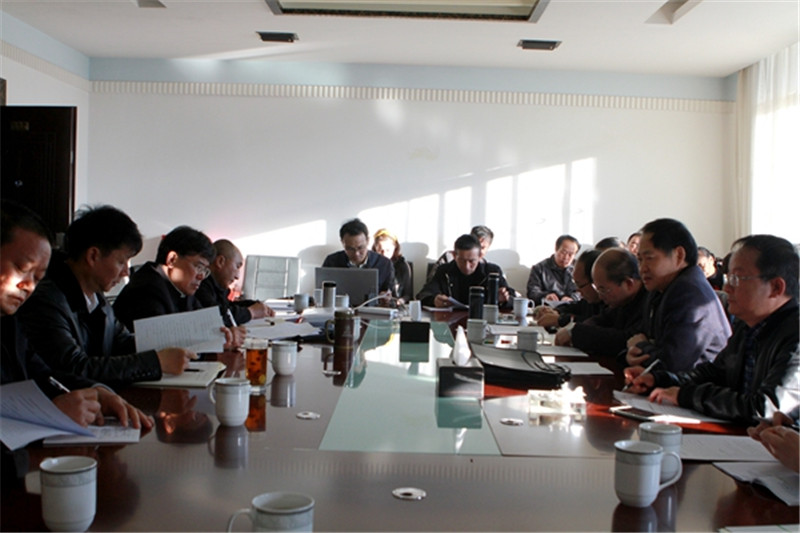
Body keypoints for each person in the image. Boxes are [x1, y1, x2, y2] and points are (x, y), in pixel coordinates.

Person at [1, 201, 151, 484]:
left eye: (37, 277)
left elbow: (44, 374)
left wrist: (97, 392)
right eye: (21, 268)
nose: (28, 286)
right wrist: (49, 416)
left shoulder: (9, 322)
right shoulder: (47, 300)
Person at [624, 234, 798, 423]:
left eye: (736, 279)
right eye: (728, 278)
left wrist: (686, 395)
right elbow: (715, 373)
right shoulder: (748, 326)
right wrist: (659, 380)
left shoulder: (795, 335)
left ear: (776, 287)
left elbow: (766, 408)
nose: (727, 288)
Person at [18, 206, 196, 387]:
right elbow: (74, 368)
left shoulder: (96, 297)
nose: (126, 272)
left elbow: (122, 342)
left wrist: (178, 343)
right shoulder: (47, 300)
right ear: (93, 256)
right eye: (121, 262)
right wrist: (155, 362)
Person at [624, 218, 730, 373]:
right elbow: (638, 337)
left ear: (679, 255)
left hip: (695, 384)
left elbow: (674, 364)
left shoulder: (689, 293)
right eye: (640, 260)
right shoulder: (659, 289)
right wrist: (631, 353)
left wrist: (640, 347)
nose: (642, 269)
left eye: (649, 258)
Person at [561, 248, 647, 358]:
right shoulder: (621, 301)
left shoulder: (648, 302)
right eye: (597, 289)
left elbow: (626, 339)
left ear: (628, 284)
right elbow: (601, 319)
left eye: (603, 290)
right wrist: (574, 329)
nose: (600, 296)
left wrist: (577, 332)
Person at [417, 234, 514, 309]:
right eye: (462, 261)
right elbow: (423, 295)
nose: (467, 266)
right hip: (451, 320)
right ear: (454, 256)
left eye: (472, 261)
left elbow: (514, 300)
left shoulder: (492, 272)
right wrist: (434, 300)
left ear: (480, 256)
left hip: (484, 320)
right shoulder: (445, 271)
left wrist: (503, 300)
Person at [195, 239, 274, 326]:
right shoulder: (200, 285)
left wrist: (253, 305)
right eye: (237, 266)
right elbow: (218, 316)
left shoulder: (216, 286)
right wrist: (251, 312)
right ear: (220, 261)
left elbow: (227, 306)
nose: (237, 276)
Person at [322, 218, 395, 296]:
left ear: (368, 241)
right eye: (350, 249)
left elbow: (392, 295)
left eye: (360, 248)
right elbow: (321, 292)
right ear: (342, 243)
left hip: (373, 304)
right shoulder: (331, 262)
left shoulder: (384, 264)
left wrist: (386, 297)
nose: (356, 254)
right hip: (339, 303)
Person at [536, 250, 603, 330]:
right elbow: (574, 307)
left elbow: (596, 324)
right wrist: (556, 311)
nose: (578, 290)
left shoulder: (610, 304)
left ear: (595, 281)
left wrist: (561, 320)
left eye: (581, 285)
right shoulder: (589, 301)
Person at [526, 234, 581, 305]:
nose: (566, 257)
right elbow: (532, 292)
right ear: (556, 249)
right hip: (548, 307)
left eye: (571, 254)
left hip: (573, 307)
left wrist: (573, 298)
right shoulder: (540, 268)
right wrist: (545, 296)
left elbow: (585, 290)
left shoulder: (579, 268)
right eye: (563, 252)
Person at [429, 225, 494, 282]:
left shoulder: (489, 270)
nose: (467, 266)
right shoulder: (448, 258)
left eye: (482, 248)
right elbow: (432, 282)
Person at [372, 229, 413, 304]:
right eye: (380, 250)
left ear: (395, 248)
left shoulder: (402, 266)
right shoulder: (371, 264)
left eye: (388, 250)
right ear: (375, 248)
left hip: (395, 304)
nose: (384, 254)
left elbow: (408, 295)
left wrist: (400, 301)